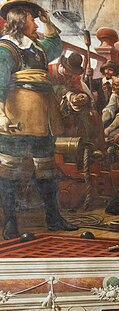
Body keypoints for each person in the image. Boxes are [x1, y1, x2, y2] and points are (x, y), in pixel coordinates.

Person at [0, 1, 76, 239]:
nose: (36, 24)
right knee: (8, 170)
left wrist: (46, 20)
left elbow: (55, 45)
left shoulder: (37, 48)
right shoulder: (6, 49)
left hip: (43, 118)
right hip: (17, 117)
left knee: (47, 169)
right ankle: (10, 222)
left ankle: (53, 218)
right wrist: (0, 115)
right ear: (21, 21)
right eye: (33, 19)